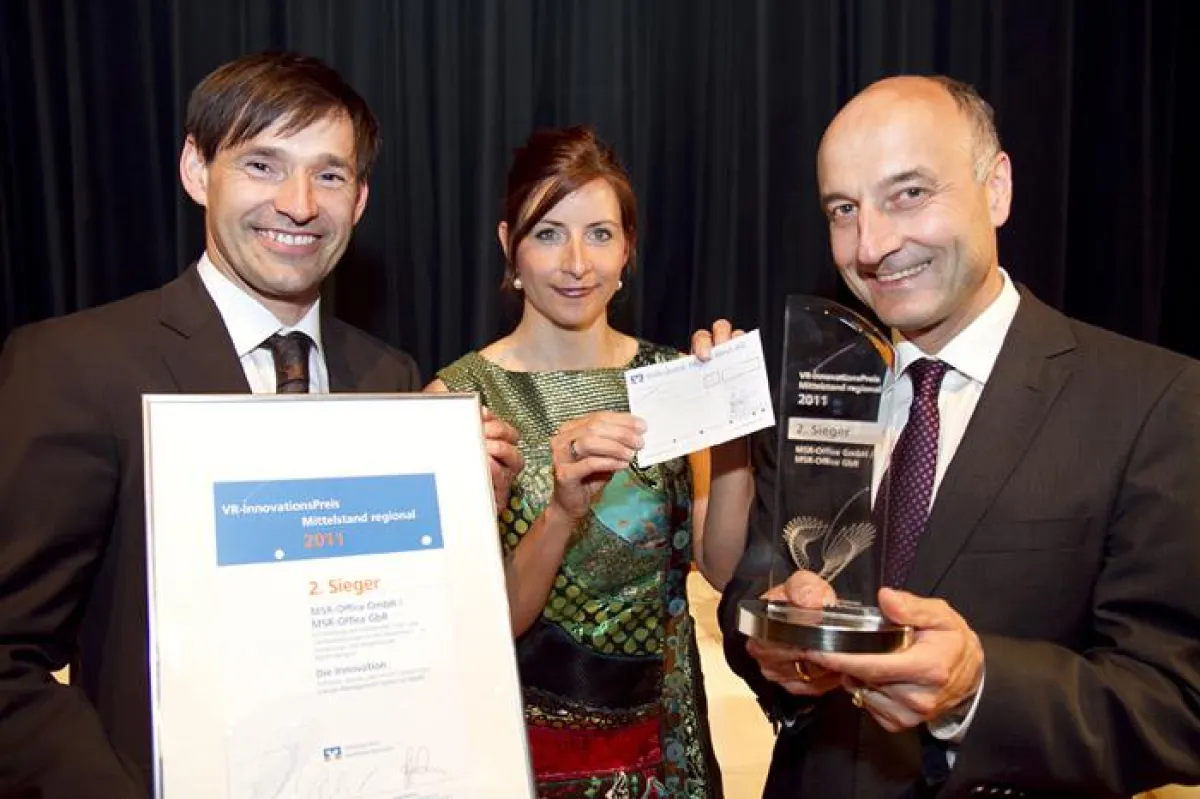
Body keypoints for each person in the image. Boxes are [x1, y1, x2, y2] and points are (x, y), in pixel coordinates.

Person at [0, 51, 521, 798]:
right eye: (264, 165)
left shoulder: (393, 380)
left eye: (330, 174)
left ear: (361, 198)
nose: (300, 203)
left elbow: (404, 633)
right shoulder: (75, 366)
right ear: (196, 170)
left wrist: (462, 530)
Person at [709, 75, 1200, 798]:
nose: (871, 245)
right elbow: (752, 589)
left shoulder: (1150, 401)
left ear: (995, 188)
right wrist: (781, 651)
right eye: (843, 209)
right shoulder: (822, 387)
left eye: (908, 193)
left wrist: (976, 689)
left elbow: (1176, 699)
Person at [429, 126, 754, 798]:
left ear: (628, 248)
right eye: (549, 233)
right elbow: (474, 624)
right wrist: (558, 512)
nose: (577, 261)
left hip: (666, 751)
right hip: (521, 752)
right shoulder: (456, 401)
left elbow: (720, 567)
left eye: (601, 234)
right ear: (508, 246)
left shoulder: (669, 378)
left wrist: (734, 428)